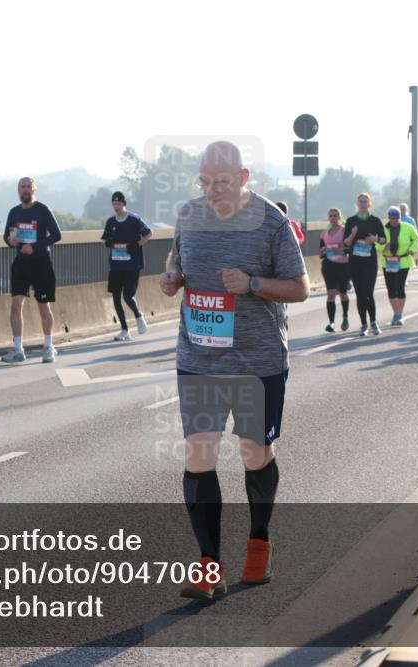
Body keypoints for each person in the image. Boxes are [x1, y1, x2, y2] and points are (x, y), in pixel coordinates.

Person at [160, 141, 309, 600]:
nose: (212, 192)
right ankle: (209, 564)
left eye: (222, 183)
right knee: (198, 454)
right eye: (205, 182)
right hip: (199, 358)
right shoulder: (189, 215)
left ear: (243, 178)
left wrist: (252, 284)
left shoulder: (271, 221)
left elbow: (301, 288)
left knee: (254, 453)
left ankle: (259, 542)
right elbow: (176, 259)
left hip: (256, 361)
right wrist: (172, 278)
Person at [1, 177, 62, 363]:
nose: (26, 190)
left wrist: (34, 247)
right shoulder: (14, 212)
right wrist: (10, 241)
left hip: (41, 262)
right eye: (22, 187)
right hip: (21, 263)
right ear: (18, 190)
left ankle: (48, 346)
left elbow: (57, 235)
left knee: (43, 306)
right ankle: (18, 350)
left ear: (34, 189)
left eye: (29, 187)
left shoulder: (43, 210)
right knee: (15, 305)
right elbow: (7, 235)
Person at [101, 191, 152, 341]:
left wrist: (138, 244)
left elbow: (149, 233)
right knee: (116, 297)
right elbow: (104, 239)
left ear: (124, 204)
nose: (116, 207)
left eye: (119, 204)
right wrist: (108, 242)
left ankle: (138, 315)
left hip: (132, 265)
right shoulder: (111, 221)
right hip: (116, 265)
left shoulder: (134, 219)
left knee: (128, 296)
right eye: (114, 204)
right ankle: (124, 330)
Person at [344, 192, 387, 336]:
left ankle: (373, 323)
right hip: (355, 262)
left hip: (370, 262)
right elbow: (346, 243)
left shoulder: (375, 220)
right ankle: (363, 325)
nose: (363, 204)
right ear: (357, 204)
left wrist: (375, 239)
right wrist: (353, 234)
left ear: (369, 204)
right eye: (360, 201)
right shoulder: (351, 221)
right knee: (360, 294)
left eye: (365, 201)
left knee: (368, 292)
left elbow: (384, 240)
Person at [379, 206, 418, 326]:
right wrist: (383, 247)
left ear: (400, 217)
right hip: (387, 261)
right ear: (388, 218)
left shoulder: (408, 227)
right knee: (391, 288)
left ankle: (400, 314)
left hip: (403, 261)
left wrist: (412, 249)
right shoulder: (383, 229)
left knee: (400, 287)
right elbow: (377, 243)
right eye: (391, 218)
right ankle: (395, 313)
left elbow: (416, 239)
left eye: (396, 218)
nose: (394, 220)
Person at [318, 208, 351, 332]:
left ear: (339, 217)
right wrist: (322, 251)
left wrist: (338, 250)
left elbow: (349, 249)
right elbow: (320, 252)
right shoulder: (324, 233)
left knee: (343, 293)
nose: (333, 218)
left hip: (343, 265)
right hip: (329, 265)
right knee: (331, 293)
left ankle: (345, 317)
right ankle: (331, 323)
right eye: (331, 216)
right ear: (328, 218)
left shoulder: (344, 231)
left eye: (335, 216)